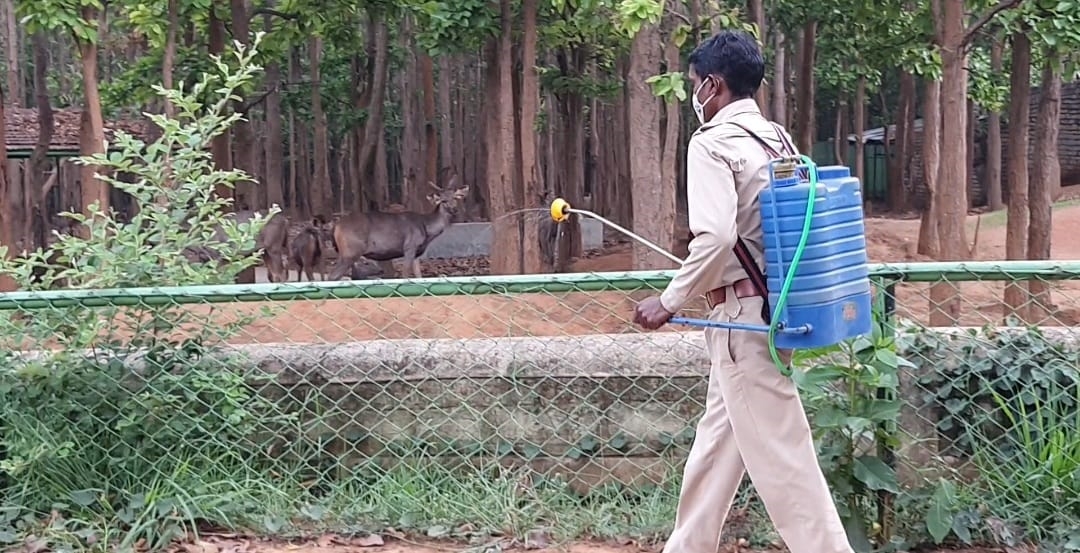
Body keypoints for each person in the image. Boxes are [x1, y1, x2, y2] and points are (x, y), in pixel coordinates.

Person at [631, 30, 855, 553]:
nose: (695, 95)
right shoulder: (777, 139)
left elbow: (716, 237)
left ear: (713, 85)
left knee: (787, 462)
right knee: (716, 449)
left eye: (695, 84)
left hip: (740, 321)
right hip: (773, 311)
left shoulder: (711, 144)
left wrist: (667, 302)